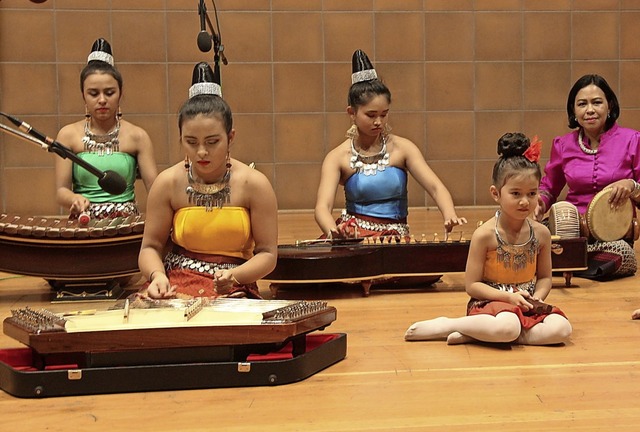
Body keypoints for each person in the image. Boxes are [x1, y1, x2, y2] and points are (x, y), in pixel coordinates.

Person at [404, 132, 572, 346]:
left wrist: (537, 297)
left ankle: (482, 334)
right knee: (508, 325)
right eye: (515, 193)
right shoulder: (484, 235)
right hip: (490, 302)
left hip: (526, 303)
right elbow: (472, 285)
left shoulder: (541, 234)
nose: (525, 201)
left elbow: (545, 277)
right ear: (496, 193)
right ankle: (451, 324)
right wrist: (508, 298)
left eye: (532, 193)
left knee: (562, 329)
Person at [138, 62, 278, 299]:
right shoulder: (168, 183)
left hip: (234, 285)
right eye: (191, 142)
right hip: (176, 282)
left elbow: (267, 254)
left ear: (230, 137)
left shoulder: (254, 184)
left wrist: (235, 275)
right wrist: (157, 276)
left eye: (212, 142)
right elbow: (150, 247)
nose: (201, 152)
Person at [314, 49, 466, 241]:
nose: (378, 121)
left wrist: (449, 213)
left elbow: (435, 187)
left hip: (395, 237)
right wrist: (334, 232)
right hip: (354, 236)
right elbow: (322, 207)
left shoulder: (403, 148)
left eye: (384, 114)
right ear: (351, 112)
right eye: (371, 115)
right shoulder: (337, 157)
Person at [534, 74, 639, 280]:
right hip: (571, 230)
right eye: (582, 104)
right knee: (532, 239)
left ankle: (565, 262)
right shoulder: (563, 144)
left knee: (622, 256)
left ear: (609, 106)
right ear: (574, 111)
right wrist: (539, 203)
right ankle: (571, 260)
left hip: (612, 236)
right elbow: (549, 188)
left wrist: (632, 185)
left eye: (597, 102)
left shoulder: (632, 140)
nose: (589, 110)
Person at [55, 38, 157, 220]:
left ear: (120, 94)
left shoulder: (138, 136)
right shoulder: (68, 135)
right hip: (84, 221)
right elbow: (61, 191)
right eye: (93, 93)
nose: (102, 100)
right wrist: (74, 198)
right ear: (83, 96)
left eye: (109, 93)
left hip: (127, 224)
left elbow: (156, 190)